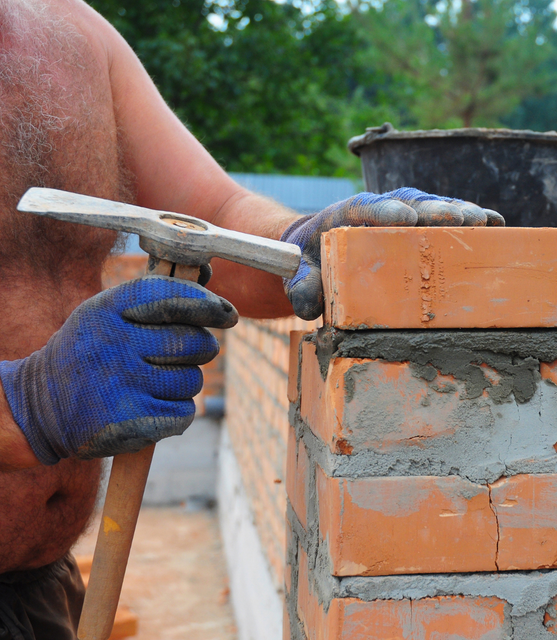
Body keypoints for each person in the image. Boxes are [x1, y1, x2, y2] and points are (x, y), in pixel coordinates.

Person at [0, 1, 503, 637]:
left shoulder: (70, 30)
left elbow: (210, 214)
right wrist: (33, 401)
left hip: (42, 587)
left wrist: (298, 239)